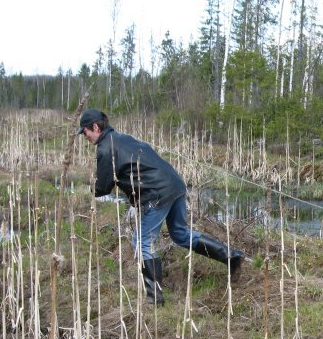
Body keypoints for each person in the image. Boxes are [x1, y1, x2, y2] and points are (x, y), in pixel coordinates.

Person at [78, 108, 243, 305]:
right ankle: (232, 257)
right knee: (180, 234)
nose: (84, 136)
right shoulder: (123, 137)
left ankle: (154, 298)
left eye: (85, 131)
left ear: (95, 127)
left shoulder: (105, 148)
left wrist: (90, 188)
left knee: (141, 242)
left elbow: (103, 187)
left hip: (157, 194)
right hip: (176, 185)